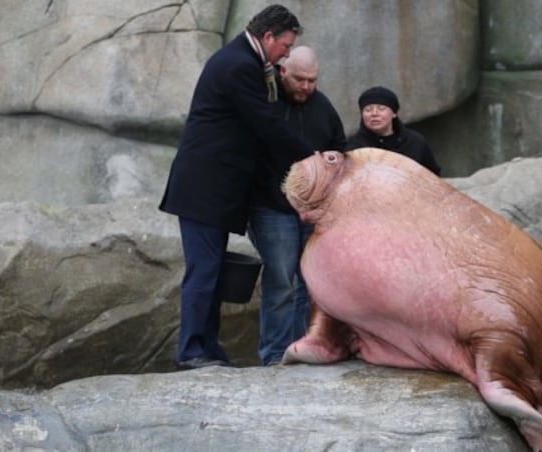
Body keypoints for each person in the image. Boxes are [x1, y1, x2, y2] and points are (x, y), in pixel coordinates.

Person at [159, 4, 314, 371]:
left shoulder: (245, 61)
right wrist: (312, 160)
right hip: (204, 188)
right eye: (286, 46)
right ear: (268, 36)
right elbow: (265, 126)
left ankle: (207, 347)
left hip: (214, 189)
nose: (287, 54)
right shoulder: (239, 66)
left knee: (212, 271)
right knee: (204, 271)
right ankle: (192, 350)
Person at [249, 46, 346, 365]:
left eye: (313, 80)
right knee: (282, 282)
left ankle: (304, 347)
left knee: (311, 283)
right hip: (271, 207)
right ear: (283, 72)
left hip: (314, 211)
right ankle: (275, 354)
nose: (307, 87)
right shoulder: (266, 103)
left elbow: (340, 151)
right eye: (301, 79)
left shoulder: (323, 107)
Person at [345, 86, 441, 175]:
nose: (374, 113)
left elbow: (433, 176)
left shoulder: (415, 142)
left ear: (394, 113)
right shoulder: (354, 148)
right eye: (368, 110)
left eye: (381, 109)